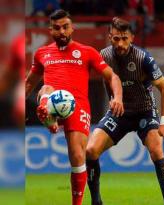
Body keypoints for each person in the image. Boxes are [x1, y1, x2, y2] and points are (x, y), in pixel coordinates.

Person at [25, 9, 124, 205]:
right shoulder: (42, 53)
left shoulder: (87, 52)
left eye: (65, 27)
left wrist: (118, 97)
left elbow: (112, 76)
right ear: (50, 30)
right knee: (45, 87)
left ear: (72, 28)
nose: (61, 31)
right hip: (51, 99)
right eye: (56, 28)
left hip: (77, 106)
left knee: (78, 156)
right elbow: (29, 83)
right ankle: (49, 117)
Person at [86, 17, 164, 205]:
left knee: (157, 150)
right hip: (119, 113)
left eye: (124, 38)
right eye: (116, 38)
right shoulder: (103, 55)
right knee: (91, 150)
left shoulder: (144, 59)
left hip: (145, 111)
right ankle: (96, 201)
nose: (120, 43)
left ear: (132, 38)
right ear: (110, 37)